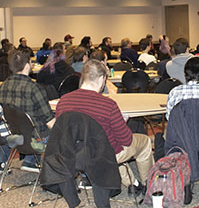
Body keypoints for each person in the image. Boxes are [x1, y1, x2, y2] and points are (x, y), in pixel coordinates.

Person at [55, 59, 152, 192]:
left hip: (74, 154)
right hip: (105, 154)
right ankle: (148, 185)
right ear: (102, 79)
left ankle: (133, 184)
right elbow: (126, 140)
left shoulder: (63, 101)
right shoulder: (107, 105)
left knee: (110, 142)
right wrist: (121, 123)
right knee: (144, 142)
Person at [0, 47, 55, 172]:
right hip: (37, 138)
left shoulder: (3, 87)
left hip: (16, 135)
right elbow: (50, 121)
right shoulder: (34, 88)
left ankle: (29, 161)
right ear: (27, 65)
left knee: (29, 123)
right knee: (62, 130)